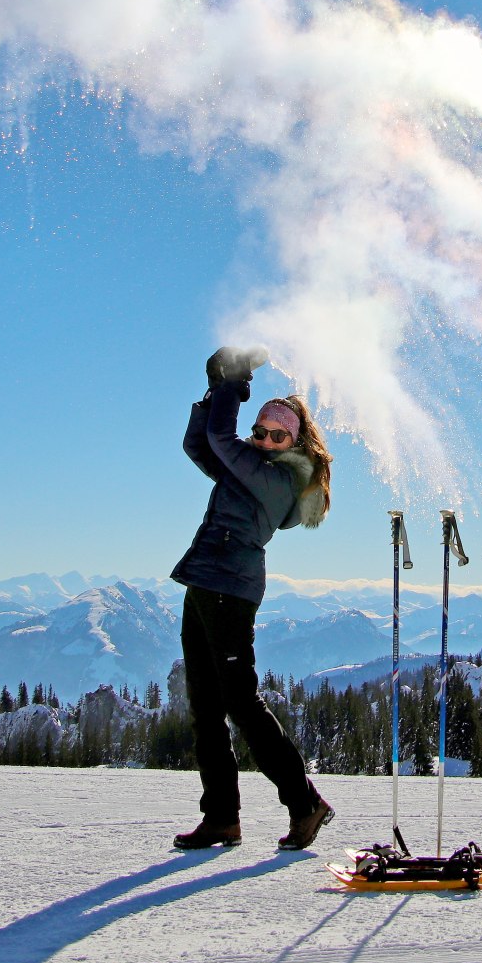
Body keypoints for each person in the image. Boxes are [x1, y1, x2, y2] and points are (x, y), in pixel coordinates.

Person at [169, 345, 336, 851]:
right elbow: (201, 446)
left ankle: (304, 802)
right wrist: (216, 390)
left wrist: (232, 387)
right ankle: (221, 817)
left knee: (241, 703)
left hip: (229, 592)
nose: (262, 439)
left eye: (274, 434)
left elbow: (222, 437)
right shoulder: (248, 467)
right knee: (205, 708)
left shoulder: (281, 479)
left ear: (293, 441)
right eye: (259, 431)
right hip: (204, 582)